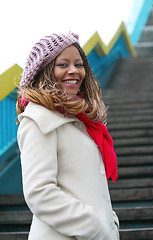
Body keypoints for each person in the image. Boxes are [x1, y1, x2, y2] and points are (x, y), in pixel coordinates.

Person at [16, 31, 119, 240]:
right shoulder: (38, 119)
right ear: (44, 70)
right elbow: (39, 192)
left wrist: (110, 222)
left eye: (79, 64)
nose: (73, 71)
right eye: (63, 64)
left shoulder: (80, 122)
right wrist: (94, 226)